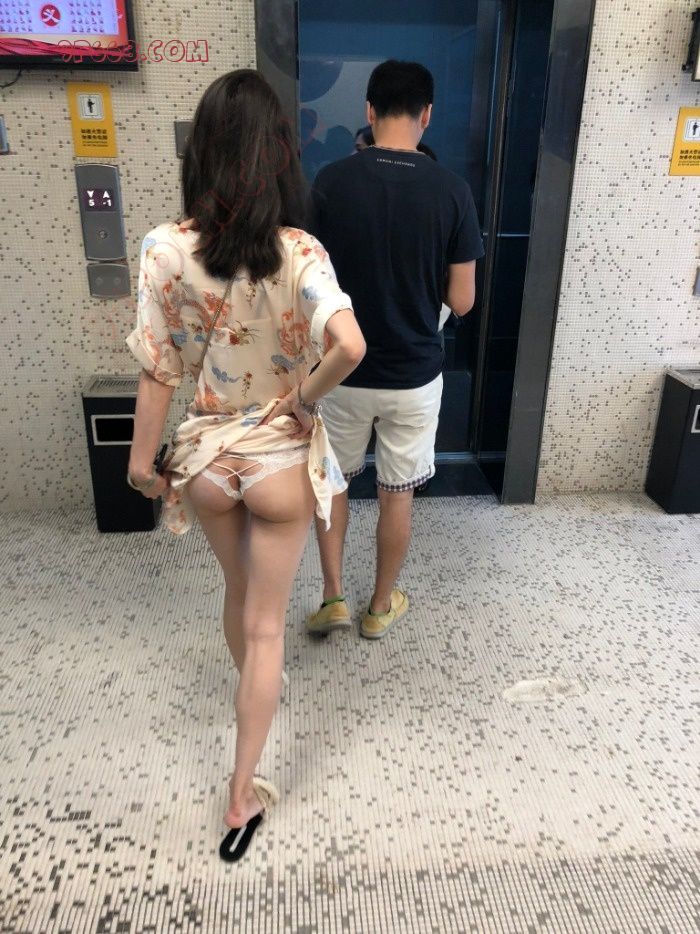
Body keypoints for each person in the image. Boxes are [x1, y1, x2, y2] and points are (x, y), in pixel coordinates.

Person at [125, 69, 366, 861]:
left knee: (238, 596)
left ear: (201, 151)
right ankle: (240, 795)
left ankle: (256, 687)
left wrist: (141, 467)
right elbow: (350, 345)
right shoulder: (299, 251)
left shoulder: (164, 249)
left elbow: (158, 369)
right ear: (280, 154)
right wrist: (302, 397)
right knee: (268, 627)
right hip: (278, 467)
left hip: (206, 461)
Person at [306, 60, 484, 640]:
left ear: (369, 110)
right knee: (396, 496)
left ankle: (333, 597)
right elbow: (463, 301)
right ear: (426, 115)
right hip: (413, 375)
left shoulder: (330, 182)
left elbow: (305, 283)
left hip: (342, 371)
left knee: (333, 483)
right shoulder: (453, 191)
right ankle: (380, 607)